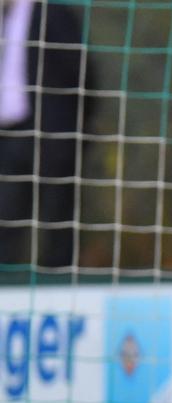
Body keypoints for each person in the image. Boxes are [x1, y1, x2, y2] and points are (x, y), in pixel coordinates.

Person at [0, 0, 92, 269]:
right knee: (8, 213)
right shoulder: (5, 18)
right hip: (9, 134)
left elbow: (82, 70)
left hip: (51, 133)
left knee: (57, 214)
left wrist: (75, 122)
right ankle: (6, 282)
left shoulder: (53, 13)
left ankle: (59, 283)